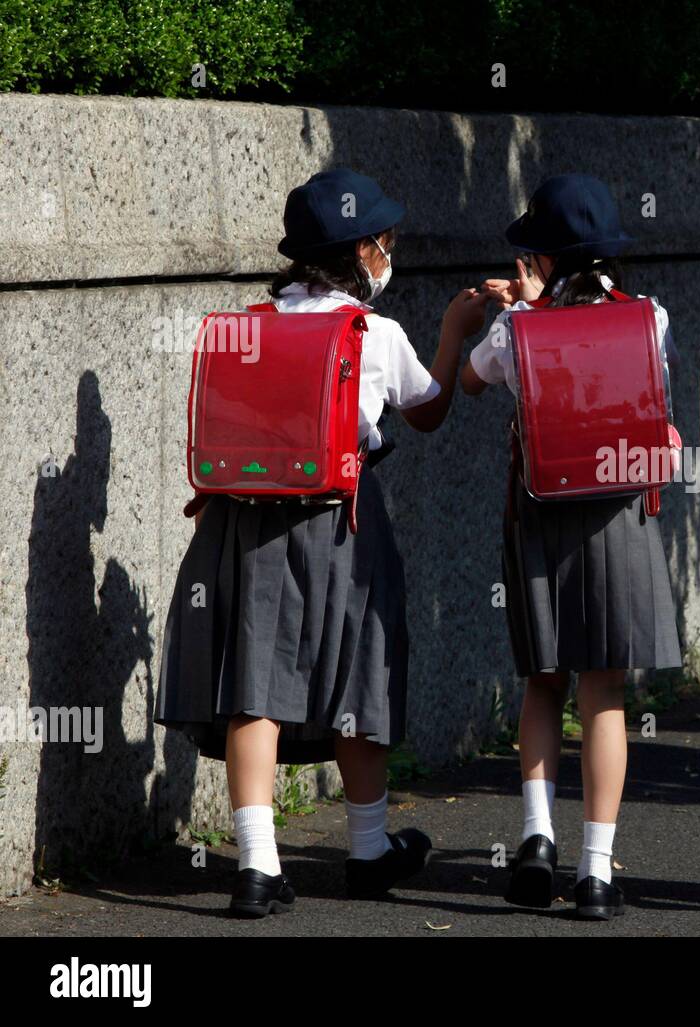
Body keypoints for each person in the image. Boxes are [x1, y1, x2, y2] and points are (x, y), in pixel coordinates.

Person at [156, 168, 491, 917]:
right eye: (386, 242)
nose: (389, 252)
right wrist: (453, 334)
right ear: (366, 248)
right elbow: (428, 410)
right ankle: (369, 850)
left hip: (243, 518)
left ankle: (257, 866)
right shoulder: (376, 332)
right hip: (342, 518)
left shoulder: (250, 322)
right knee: (356, 676)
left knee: (255, 683)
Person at [458, 174, 682, 921]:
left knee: (544, 679)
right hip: (618, 513)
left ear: (545, 260)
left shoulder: (514, 329)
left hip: (538, 513)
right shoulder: (649, 317)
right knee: (605, 691)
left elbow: (472, 380)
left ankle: (534, 837)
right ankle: (594, 871)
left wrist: (516, 308)